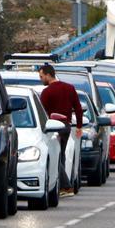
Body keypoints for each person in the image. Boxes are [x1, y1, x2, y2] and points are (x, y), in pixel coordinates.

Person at [38, 64, 82, 195]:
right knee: (60, 154)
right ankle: (61, 187)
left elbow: (42, 113)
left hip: (53, 128)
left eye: (41, 76)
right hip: (66, 127)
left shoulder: (47, 92)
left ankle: (67, 186)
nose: (41, 79)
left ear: (48, 75)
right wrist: (79, 126)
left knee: (55, 156)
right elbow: (78, 108)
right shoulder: (69, 88)